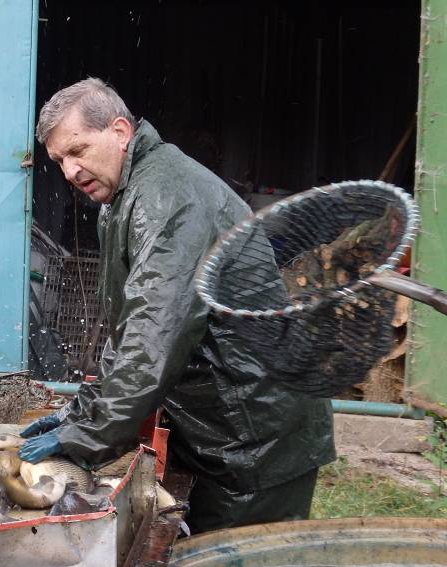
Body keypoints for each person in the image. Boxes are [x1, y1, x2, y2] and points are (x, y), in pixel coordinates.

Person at [21, 78, 335, 534]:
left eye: (78, 150)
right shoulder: (121, 198)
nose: (70, 171)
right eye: (59, 161)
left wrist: (88, 437)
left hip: (256, 437)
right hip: (217, 427)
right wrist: (81, 412)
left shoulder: (168, 197)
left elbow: (155, 336)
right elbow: (127, 329)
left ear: (120, 132)